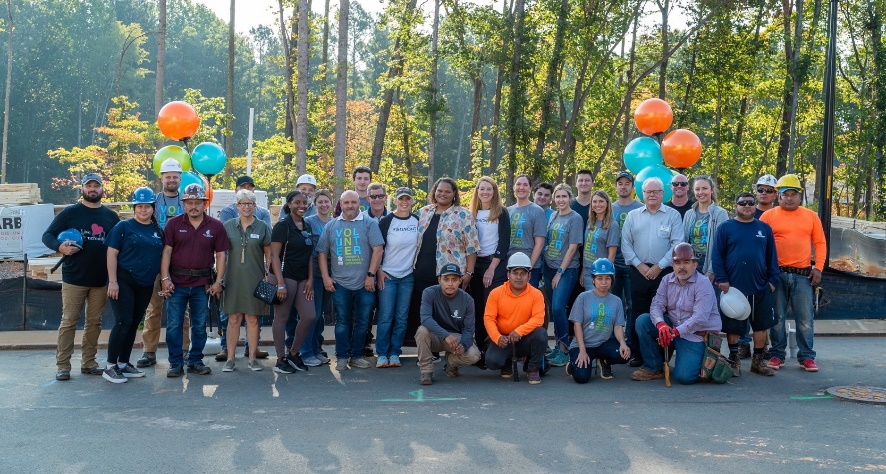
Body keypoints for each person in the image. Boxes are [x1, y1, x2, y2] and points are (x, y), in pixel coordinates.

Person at [43, 173, 120, 381]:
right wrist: (60, 247)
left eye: (96, 186)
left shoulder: (111, 217)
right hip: (74, 279)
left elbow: (119, 245)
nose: (93, 189)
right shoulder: (70, 213)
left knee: (94, 323)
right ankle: (63, 366)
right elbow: (47, 236)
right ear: (82, 189)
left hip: (100, 280)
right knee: (69, 322)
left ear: (102, 189)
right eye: (89, 186)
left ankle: (89, 363)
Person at [159, 183, 230, 377]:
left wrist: (219, 282)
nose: (193, 206)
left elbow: (221, 255)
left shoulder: (216, 226)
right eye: (189, 202)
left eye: (197, 202)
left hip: (202, 284)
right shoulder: (173, 224)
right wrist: (165, 278)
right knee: (174, 325)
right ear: (183, 204)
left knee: (199, 325)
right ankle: (175, 363)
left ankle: (195, 360)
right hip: (176, 282)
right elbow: (166, 252)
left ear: (205, 204)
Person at [760, 174, 827, 372]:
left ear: (800, 196)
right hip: (776, 274)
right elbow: (760, 245)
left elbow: (820, 243)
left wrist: (818, 268)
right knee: (777, 317)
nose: (789, 198)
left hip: (803, 275)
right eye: (785, 194)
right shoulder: (768, 216)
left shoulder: (810, 216)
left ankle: (806, 357)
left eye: (793, 194)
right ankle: (777, 355)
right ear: (778, 196)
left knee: (805, 318)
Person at [631, 243, 722, 384]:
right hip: (673, 329)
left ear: (695, 265)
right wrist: (661, 325)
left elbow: (700, 318)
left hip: (695, 335)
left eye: (686, 262)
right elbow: (656, 305)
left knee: (684, 377)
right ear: (672, 265)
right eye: (677, 262)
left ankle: (704, 359)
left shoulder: (703, 283)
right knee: (643, 321)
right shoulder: (667, 280)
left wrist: (675, 333)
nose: (682, 267)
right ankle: (654, 368)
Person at [711, 192, 779, 376]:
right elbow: (716, 256)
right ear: (736, 206)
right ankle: (734, 361)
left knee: (760, 325)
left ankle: (757, 362)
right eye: (743, 203)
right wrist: (722, 279)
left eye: (750, 203)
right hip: (733, 288)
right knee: (733, 327)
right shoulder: (726, 228)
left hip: (760, 286)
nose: (747, 206)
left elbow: (772, 257)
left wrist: (772, 281)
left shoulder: (764, 229)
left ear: (755, 205)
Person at [101, 187, 164, 383]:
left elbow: (162, 257)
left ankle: (123, 363)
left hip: (145, 283)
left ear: (153, 208)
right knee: (123, 321)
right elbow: (111, 254)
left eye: (147, 206)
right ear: (134, 207)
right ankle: (110, 366)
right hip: (123, 280)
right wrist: (113, 282)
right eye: (140, 206)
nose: (143, 210)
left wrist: (164, 279)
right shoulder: (123, 227)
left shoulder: (157, 231)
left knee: (133, 323)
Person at [407, 177, 479, 348]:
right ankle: (427, 351)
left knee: (445, 314)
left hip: (449, 276)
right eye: (440, 190)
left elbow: (472, 247)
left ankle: (451, 350)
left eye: (448, 191)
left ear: (454, 194)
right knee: (425, 314)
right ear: (434, 192)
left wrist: (468, 273)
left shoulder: (463, 214)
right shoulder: (423, 212)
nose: (443, 194)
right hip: (422, 273)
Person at [318, 190, 385, 370]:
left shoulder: (369, 224)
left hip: (365, 284)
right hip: (340, 284)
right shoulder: (331, 226)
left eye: (353, 202)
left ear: (359, 204)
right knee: (342, 322)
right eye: (346, 202)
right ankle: (341, 356)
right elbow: (322, 252)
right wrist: (326, 277)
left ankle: (356, 356)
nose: (350, 206)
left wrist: (371, 275)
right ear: (341, 204)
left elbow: (378, 249)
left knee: (363, 322)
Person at [621, 177, 684, 367]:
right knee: (637, 312)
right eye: (648, 192)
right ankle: (638, 353)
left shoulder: (672, 216)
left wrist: (659, 266)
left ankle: (661, 352)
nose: (652, 195)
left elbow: (677, 243)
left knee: (662, 312)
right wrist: (640, 266)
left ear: (663, 194)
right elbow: (626, 243)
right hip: (637, 270)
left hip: (664, 272)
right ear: (643, 194)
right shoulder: (633, 216)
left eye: (656, 191)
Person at [137, 158, 186, 369]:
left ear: (180, 178)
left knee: (182, 309)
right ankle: (149, 352)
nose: (172, 180)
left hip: (181, 262)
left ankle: (183, 349)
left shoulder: (188, 202)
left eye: (175, 176)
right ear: (162, 178)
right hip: (155, 261)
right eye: (168, 177)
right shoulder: (153, 202)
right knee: (154, 308)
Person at [216, 175, 271, 362]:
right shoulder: (227, 225)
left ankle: (252, 358)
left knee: (253, 319)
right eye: (243, 203)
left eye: (250, 203)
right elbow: (221, 254)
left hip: (255, 277)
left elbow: (269, 255)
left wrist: (269, 276)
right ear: (237, 205)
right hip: (232, 278)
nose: (246, 206)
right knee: (233, 318)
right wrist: (219, 279)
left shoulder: (263, 226)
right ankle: (230, 358)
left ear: (255, 206)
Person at [268, 191, 317, 374]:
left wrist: (311, 279)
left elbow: (310, 256)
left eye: (304, 202)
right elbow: (274, 256)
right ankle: (280, 359)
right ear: (289, 204)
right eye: (297, 202)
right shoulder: (282, 226)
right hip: (284, 276)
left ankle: (294, 353)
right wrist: (280, 284)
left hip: (303, 277)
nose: (301, 206)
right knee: (281, 317)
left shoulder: (307, 225)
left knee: (309, 315)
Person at [484, 252, 548, 385]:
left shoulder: (536, 294)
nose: (519, 277)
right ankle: (506, 363)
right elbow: (489, 318)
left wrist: (519, 331)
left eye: (523, 273)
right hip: (504, 339)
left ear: (529, 275)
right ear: (508, 275)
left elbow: (538, 319)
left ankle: (533, 368)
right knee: (492, 361)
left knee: (541, 334)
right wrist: (497, 337)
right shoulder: (495, 293)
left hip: (526, 338)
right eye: (515, 273)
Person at [416, 263, 482, 385]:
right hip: (435, 335)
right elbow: (425, 318)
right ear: (439, 280)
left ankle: (451, 363)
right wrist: (445, 335)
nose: (450, 283)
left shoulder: (468, 300)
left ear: (460, 281)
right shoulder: (429, 292)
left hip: (456, 338)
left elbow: (469, 329)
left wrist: (464, 345)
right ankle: (426, 370)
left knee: (474, 355)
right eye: (446, 279)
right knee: (422, 330)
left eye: (454, 280)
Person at [566, 259, 630, 383]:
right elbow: (577, 325)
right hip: (583, 345)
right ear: (593, 280)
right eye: (600, 278)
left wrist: (623, 343)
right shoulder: (583, 297)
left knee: (623, 354)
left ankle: (603, 360)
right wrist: (582, 351)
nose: (604, 282)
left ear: (612, 279)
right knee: (581, 378)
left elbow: (617, 327)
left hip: (603, 344)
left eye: (607, 278)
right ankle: (573, 363)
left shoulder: (616, 301)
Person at [376, 187, 419, 368]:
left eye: (407, 199)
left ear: (412, 201)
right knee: (386, 316)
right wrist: (378, 270)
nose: (404, 202)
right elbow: (376, 248)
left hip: (408, 276)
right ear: (394, 200)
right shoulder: (386, 221)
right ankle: (382, 354)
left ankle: (395, 353)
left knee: (401, 317)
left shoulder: (417, 220)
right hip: (388, 275)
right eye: (401, 199)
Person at [542, 183, 583, 367]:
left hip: (566, 270)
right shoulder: (554, 215)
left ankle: (565, 350)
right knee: (553, 309)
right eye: (557, 197)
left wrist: (560, 272)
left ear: (570, 198)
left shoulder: (575, 218)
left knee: (559, 307)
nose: (560, 200)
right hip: (549, 268)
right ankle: (558, 347)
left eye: (564, 197)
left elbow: (573, 248)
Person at [468, 176, 510, 356]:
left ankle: (492, 346)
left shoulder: (501, 212)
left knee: (490, 305)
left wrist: (492, 269)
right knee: (476, 306)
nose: (485, 192)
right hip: (475, 263)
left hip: (495, 264)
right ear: (477, 192)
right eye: (482, 189)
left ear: (494, 192)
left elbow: (504, 242)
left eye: (489, 189)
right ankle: (479, 347)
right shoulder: (471, 213)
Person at [298, 189, 334, 366]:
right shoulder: (308, 222)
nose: (324, 205)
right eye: (320, 202)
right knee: (312, 314)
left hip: (332, 275)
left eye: (326, 201)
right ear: (315, 204)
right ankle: (306, 352)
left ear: (331, 203)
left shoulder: (336, 222)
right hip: (313, 275)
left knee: (320, 316)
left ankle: (315, 348)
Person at [611, 171, 644, 356]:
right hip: (613, 265)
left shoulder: (640, 207)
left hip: (634, 265)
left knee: (632, 306)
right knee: (614, 304)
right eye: (620, 183)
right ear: (616, 187)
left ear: (632, 187)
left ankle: (631, 343)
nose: (623, 186)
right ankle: (614, 342)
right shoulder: (610, 208)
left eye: (627, 183)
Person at [682, 175, 729, 282]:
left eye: (705, 188)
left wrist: (712, 270)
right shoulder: (689, 214)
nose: (701, 192)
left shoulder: (720, 213)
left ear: (711, 190)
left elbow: (722, 245)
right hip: (691, 262)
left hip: (709, 263)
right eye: (697, 189)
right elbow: (683, 241)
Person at [507, 175, 546, 288]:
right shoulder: (508, 211)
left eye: (525, 185)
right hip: (510, 263)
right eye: (518, 184)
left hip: (529, 265)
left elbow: (540, 243)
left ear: (530, 189)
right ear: (514, 187)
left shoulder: (537, 211)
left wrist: (529, 266)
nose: (521, 187)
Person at [582, 190, 619, 288]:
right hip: (587, 270)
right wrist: (583, 271)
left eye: (601, 201)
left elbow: (612, 253)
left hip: (600, 273)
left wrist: (606, 276)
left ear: (607, 203)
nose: (597, 204)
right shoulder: (590, 222)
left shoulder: (612, 225)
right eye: (594, 201)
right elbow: (587, 247)